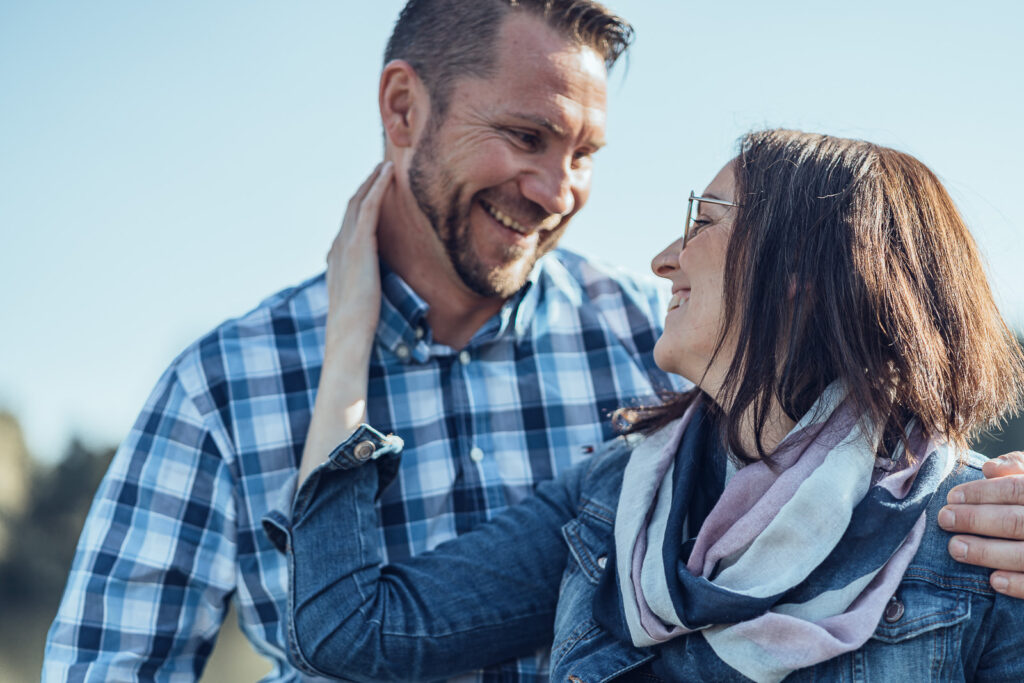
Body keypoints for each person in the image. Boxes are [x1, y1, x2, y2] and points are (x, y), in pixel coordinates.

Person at [42, 0, 1024, 680]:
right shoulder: (227, 385)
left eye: (585, 152)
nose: (557, 192)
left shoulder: (664, 355)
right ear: (401, 109)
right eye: (526, 135)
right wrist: (351, 342)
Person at [268, 130, 1024, 682]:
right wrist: (350, 337)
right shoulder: (612, 499)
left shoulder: (977, 539)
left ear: (800, 267)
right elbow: (350, 627)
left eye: (705, 218)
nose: (664, 256)